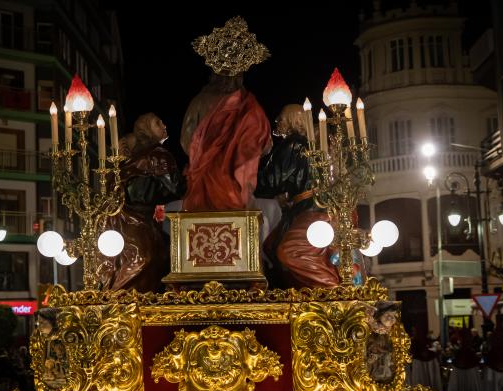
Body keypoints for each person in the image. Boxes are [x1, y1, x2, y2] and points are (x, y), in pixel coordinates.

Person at [181, 16, 272, 211]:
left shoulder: (199, 101)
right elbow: (265, 146)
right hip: (236, 186)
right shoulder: (250, 106)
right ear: (241, 74)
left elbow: (186, 140)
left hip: (203, 182)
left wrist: (205, 157)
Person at [97, 113, 185, 292]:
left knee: (149, 256)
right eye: (157, 122)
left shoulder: (139, 157)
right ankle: (123, 300)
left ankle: (125, 298)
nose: (164, 125)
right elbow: (177, 188)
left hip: (124, 218)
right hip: (134, 218)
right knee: (142, 259)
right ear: (145, 130)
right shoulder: (158, 155)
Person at [255, 104, 340, 288]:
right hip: (305, 207)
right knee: (271, 245)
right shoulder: (309, 146)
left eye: (281, 119)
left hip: (311, 209)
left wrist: (244, 177)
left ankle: (331, 290)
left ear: (293, 120)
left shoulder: (292, 144)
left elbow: (272, 179)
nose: (277, 123)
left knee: (290, 251)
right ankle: (301, 289)